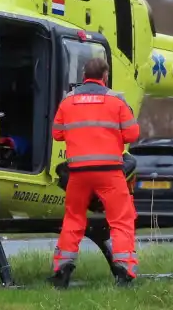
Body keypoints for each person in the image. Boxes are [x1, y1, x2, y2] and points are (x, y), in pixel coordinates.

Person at [48, 57, 141, 289]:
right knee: (121, 220)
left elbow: (57, 133)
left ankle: (62, 268)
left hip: (78, 174)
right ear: (105, 76)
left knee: (73, 218)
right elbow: (132, 135)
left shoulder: (68, 102)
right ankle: (124, 269)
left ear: (83, 75)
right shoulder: (116, 101)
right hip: (110, 173)